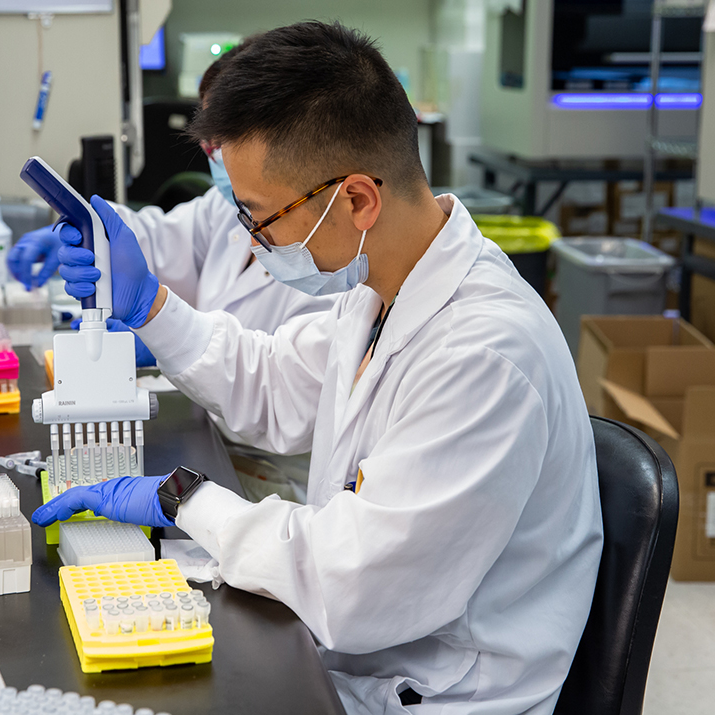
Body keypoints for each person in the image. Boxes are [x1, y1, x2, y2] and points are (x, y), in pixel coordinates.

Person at [34, 22, 603, 715]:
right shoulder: (383, 290)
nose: (253, 241)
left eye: (260, 219)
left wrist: (186, 497)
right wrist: (150, 304)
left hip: (434, 693)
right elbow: (272, 380)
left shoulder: (484, 354)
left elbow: (357, 585)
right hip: (358, 657)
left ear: (357, 199)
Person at [7, 39, 336, 366]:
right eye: (210, 144)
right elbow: (162, 239)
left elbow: (279, 381)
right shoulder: (224, 208)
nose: (219, 155)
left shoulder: (332, 256)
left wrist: (163, 333)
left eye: (226, 141)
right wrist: (95, 230)